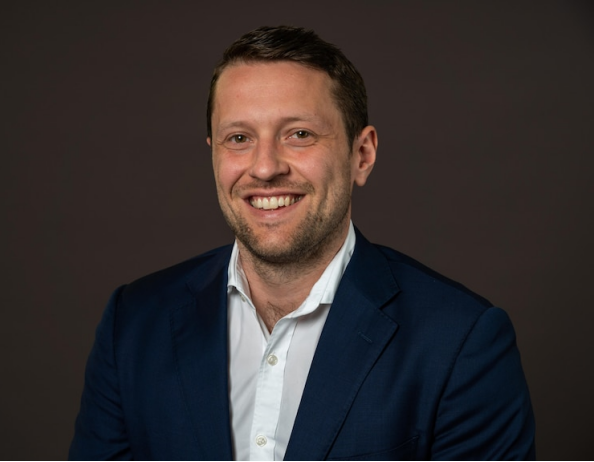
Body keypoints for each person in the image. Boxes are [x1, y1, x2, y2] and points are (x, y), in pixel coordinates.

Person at [69, 26, 535, 461]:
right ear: (213, 153)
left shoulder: (460, 342)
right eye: (239, 138)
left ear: (362, 155)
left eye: (299, 134)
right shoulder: (133, 324)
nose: (265, 167)